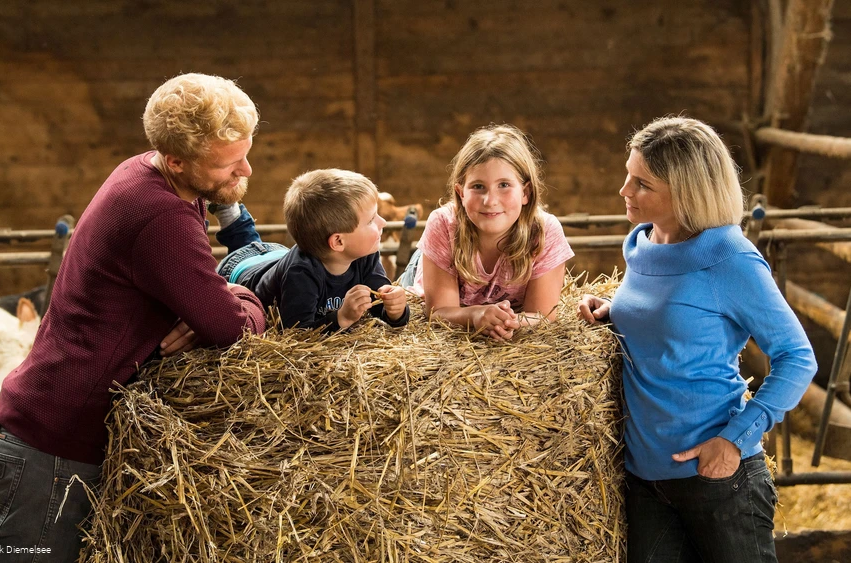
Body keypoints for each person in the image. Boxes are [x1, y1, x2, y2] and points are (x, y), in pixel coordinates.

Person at [0, 73, 268, 562]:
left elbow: (203, 308)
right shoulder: (160, 215)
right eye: (229, 161)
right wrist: (246, 295)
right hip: (53, 451)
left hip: (60, 433)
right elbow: (231, 328)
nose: (245, 167)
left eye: (244, 151)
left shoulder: (146, 171)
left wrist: (198, 304)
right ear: (176, 159)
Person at [577, 116, 817, 562]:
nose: (624, 192)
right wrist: (613, 311)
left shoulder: (732, 259)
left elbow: (797, 357)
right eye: (628, 176)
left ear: (685, 191)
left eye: (641, 183)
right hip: (644, 478)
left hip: (717, 479)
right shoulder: (643, 244)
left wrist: (735, 439)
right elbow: (675, 318)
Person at [398, 124, 573, 340]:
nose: (490, 201)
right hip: (432, 268)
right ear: (460, 192)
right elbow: (438, 312)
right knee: (400, 310)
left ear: (526, 192)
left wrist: (504, 322)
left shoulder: (545, 232)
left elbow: (543, 315)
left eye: (504, 185)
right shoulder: (443, 223)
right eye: (478, 186)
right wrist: (478, 315)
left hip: (490, 307)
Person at [211, 168, 410, 332]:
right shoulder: (301, 275)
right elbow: (297, 332)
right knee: (244, 242)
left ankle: (231, 212)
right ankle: (227, 209)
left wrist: (396, 310)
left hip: (279, 256)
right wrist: (342, 318)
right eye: (372, 220)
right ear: (338, 242)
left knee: (253, 242)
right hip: (242, 269)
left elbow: (381, 305)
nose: (383, 222)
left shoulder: (364, 254)